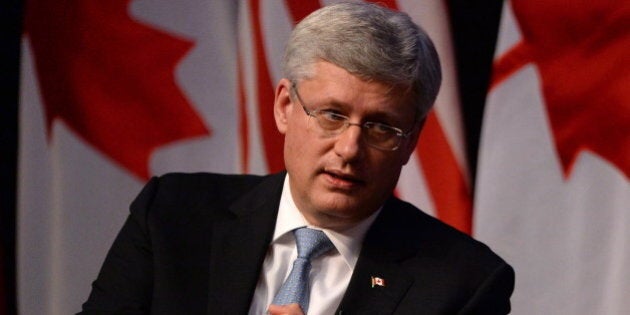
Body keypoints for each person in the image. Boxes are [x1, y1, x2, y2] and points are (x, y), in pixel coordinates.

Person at [80, 2, 514, 314]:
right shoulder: (173, 214)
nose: (349, 150)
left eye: (381, 127)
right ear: (285, 106)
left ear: (412, 139)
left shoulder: (464, 284)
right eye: (332, 115)